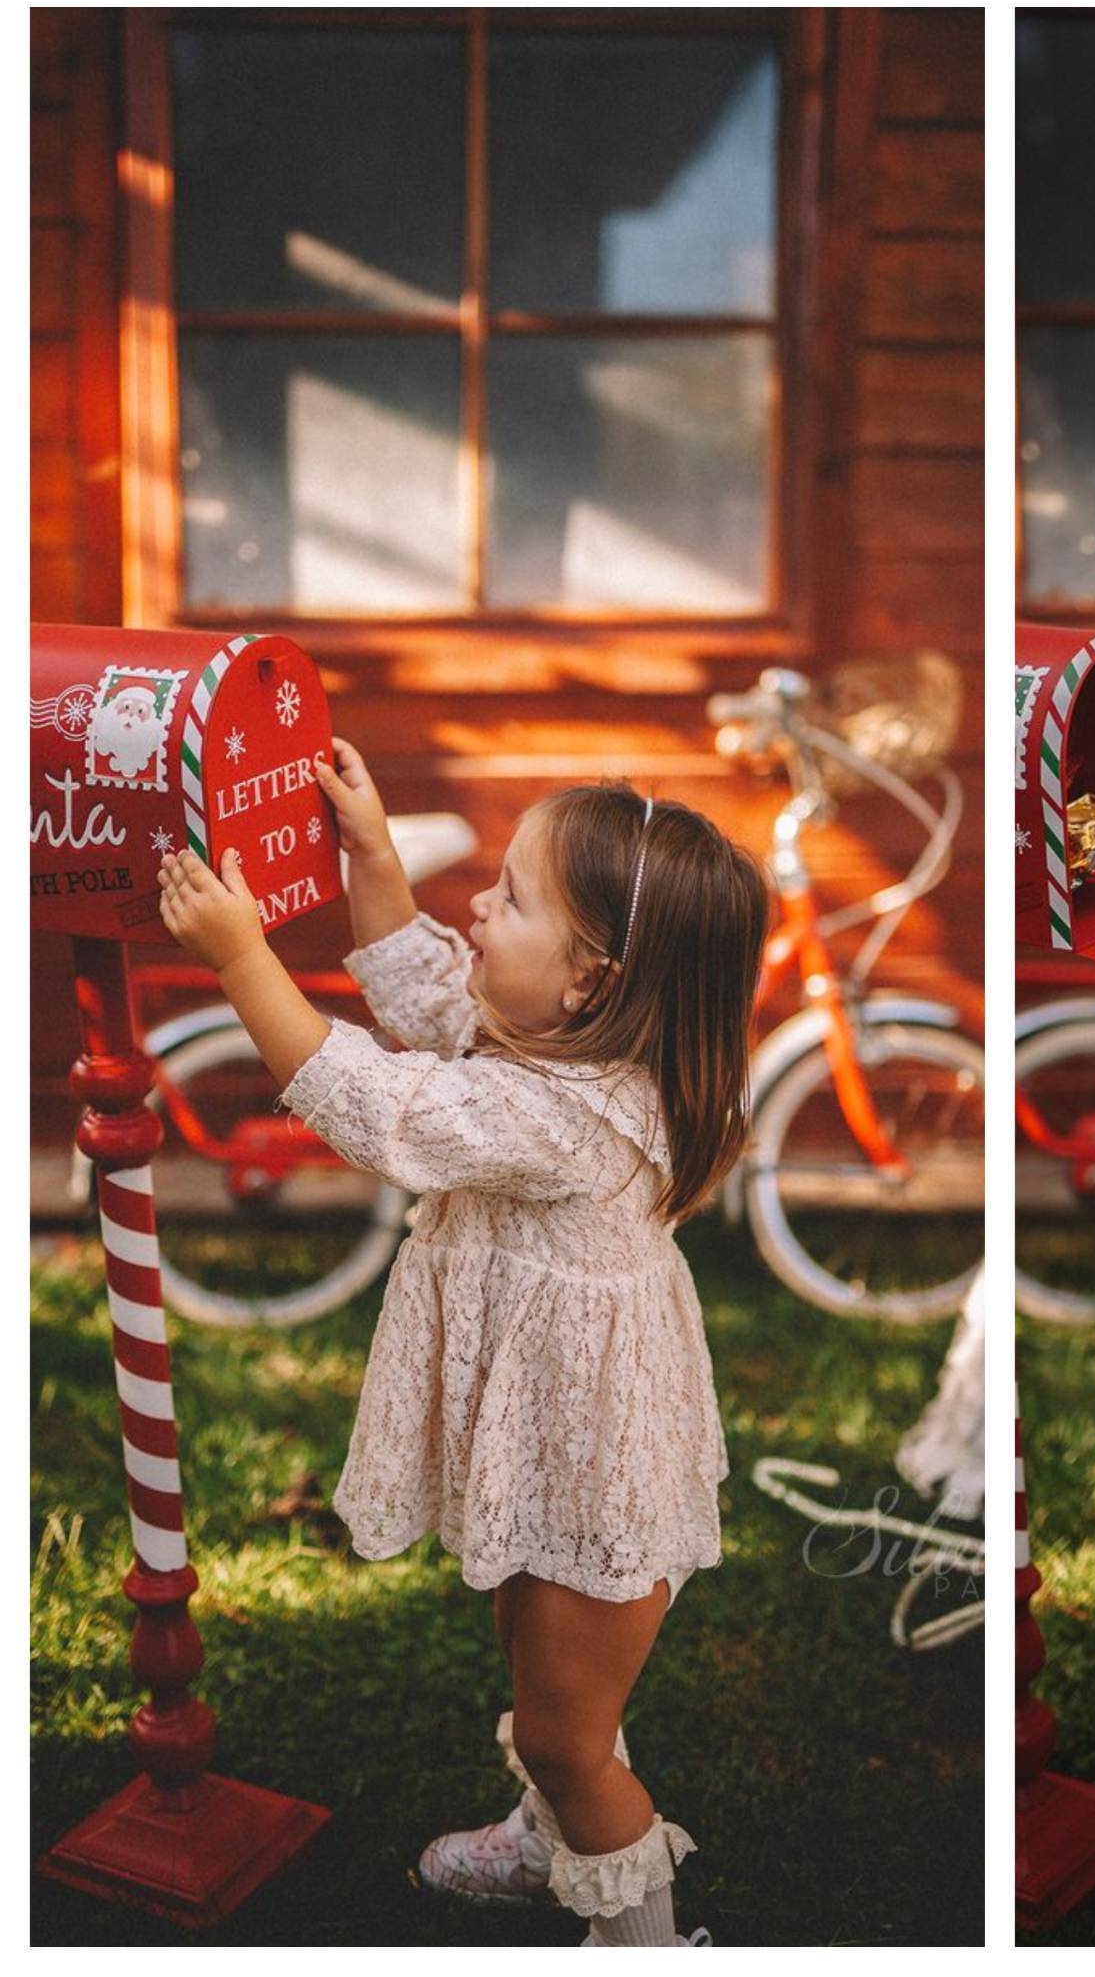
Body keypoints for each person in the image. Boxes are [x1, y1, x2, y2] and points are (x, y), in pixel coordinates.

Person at [157, 739, 768, 1948]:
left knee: (564, 1728)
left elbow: (382, 1106)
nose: (475, 911)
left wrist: (241, 958)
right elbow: (422, 986)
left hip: (596, 1456)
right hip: (544, 1429)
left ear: (591, 977)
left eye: (510, 897)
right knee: (537, 1660)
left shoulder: (571, 1112)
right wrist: (372, 851)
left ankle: (641, 1936)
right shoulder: (551, 1039)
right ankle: (551, 1835)